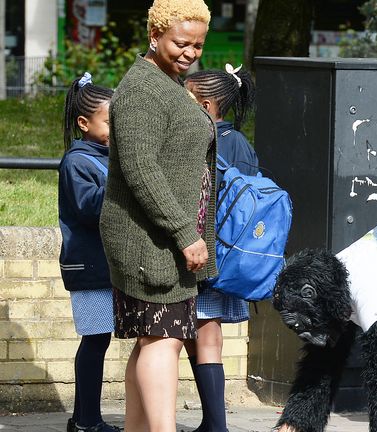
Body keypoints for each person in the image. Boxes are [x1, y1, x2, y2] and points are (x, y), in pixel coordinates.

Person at [98, 1, 215, 431]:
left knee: (154, 339)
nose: (189, 53)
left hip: (160, 238)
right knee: (163, 340)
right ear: (155, 35)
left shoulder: (165, 81)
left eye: (198, 45)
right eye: (180, 43)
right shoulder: (142, 89)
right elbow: (141, 168)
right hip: (151, 241)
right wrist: (186, 233)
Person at [182, 63, 259, 432]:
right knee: (200, 338)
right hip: (227, 254)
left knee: (206, 337)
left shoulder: (206, 139)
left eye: (189, 98)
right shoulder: (240, 142)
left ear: (208, 106)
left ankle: (216, 426)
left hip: (206, 254)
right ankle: (210, 423)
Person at [59, 73, 120, 432]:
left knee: (98, 340)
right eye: (111, 122)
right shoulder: (78, 161)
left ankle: (82, 419)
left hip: (103, 265)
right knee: (95, 342)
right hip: (89, 266)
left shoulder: (102, 157)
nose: (117, 129)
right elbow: (89, 208)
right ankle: (87, 421)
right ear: (84, 123)